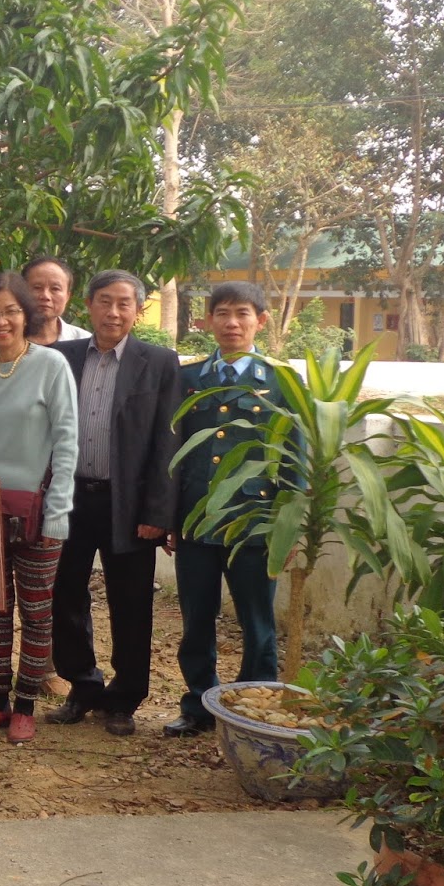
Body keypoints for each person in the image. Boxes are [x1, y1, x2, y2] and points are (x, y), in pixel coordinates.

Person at [48, 270, 180, 737]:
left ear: (138, 311)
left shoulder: (158, 362)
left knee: (131, 602)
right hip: (69, 499)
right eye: (104, 301)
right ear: (88, 305)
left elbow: (168, 440)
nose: (113, 312)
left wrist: (158, 513)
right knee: (65, 595)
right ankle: (82, 685)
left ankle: (124, 699)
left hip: (128, 504)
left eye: (124, 303)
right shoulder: (61, 357)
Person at [0, 272, 79, 744]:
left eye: (10, 311)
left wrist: (58, 511)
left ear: (27, 314)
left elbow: (67, 441)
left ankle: (26, 706)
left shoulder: (51, 365)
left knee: (37, 611)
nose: (0, 321)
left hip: (40, 512)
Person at [166, 282, 283, 737]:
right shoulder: (189, 378)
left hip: (254, 522)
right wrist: (171, 516)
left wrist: (287, 527)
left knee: (258, 622)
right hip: (197, 520)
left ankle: (254, 709)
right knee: (196, 619)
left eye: (242, 314)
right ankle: (198, 704)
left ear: (261, 321)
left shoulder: (280, 383)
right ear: (207, 321)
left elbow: (294, 454)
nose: (232, 323)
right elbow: (174, 452)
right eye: (222, 314)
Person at [22, 257, 91, 346]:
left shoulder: (85, 342)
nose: (45, 296)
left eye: (55, 289)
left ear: (67, 297)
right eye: (37, 288)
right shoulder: (7, 340)